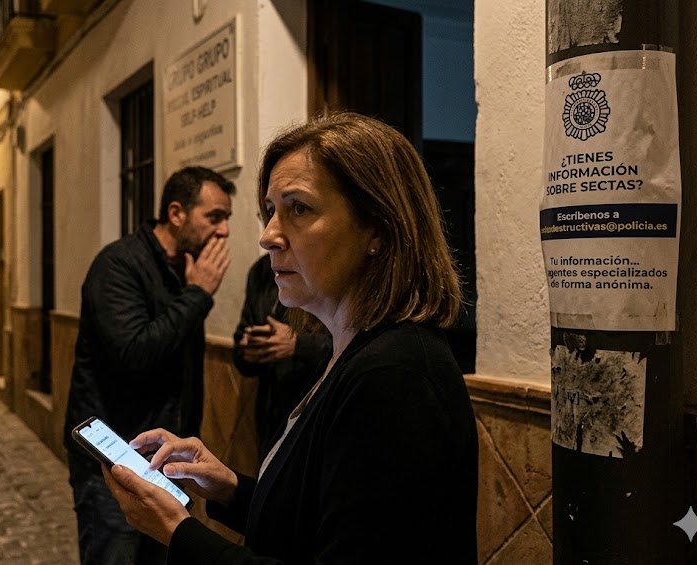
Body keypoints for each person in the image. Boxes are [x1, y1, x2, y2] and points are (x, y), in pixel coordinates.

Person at [100, 112, 478, 563]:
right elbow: (316, 522)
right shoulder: (354, 350)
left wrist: (177, 532)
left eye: (298, 208)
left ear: (377, 228)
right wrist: (229, 487)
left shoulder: (396, 374)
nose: (268, 236)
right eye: (270, 211)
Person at [63, 166, 236, 565]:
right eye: (214, 217)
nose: (224, 231)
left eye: (226, 218)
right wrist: (197, 294)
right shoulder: (118, 265)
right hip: (113, 462)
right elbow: (134, 355)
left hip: (166, 462)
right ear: (176, 213)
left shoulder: (183, 269)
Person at [232, 253, 331, 456]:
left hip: (316, 418)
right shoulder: (261, 270)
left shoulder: (325, 265)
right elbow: (241, 351)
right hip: (269, 422)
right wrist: (251, 349)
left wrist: (298, 345)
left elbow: (353, 344)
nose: (267, 240)